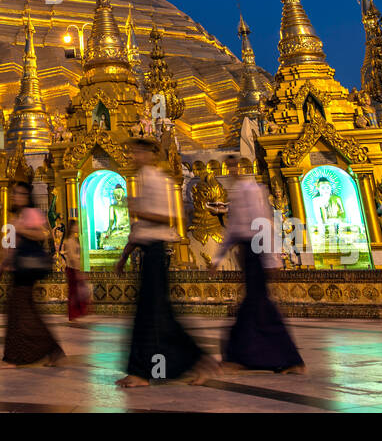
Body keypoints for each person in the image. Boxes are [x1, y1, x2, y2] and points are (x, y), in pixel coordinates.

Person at [116, 139, 215, 387]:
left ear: (151, 154)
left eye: (138, 151)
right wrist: (124, 256)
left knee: (156, 313)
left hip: (157, 250)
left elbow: (171, 217)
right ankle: (145, 370)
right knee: (150, 314)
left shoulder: (159, 179)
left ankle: (195, 361)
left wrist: (138, 209)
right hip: (147, 251)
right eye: (133, 151)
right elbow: (139, 228)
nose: (134, 156)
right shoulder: (141, 179)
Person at [212, 151, 304, 373]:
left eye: (234, 166)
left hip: (256, 249)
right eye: (228, 167)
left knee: (258, 305)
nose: (231, 171)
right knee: (253, 304)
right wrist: (217, 257)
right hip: (246, 249)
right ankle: (242, 357)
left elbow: (263, 224)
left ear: (241, 168)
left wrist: (273, 259)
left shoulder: (252, 190)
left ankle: (288, 360)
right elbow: (233, 229)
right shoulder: (235, 194)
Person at [0, 181, 65, 368]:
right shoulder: (15, 216)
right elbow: (12, 246)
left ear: (28, 197)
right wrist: (3, 265)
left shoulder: (30, 213)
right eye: (15, 193)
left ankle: (12, 358)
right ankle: (52, 350)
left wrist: (21, 228)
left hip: (27, 269)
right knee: (27, 312)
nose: (17, 197)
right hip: (19, 268)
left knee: (17, 313)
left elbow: (44, 235)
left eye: (21, 194)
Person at [63, 220, 90, 322]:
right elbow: (73, 257)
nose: (78, 227)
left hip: (76, 267)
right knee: (74, 292)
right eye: (76, 226)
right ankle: (73, 314)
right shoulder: (70, 241)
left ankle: (77, 313)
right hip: (72, 268)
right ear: (72, 227)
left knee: (76, 291)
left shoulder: (75, 239)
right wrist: (78, 271)